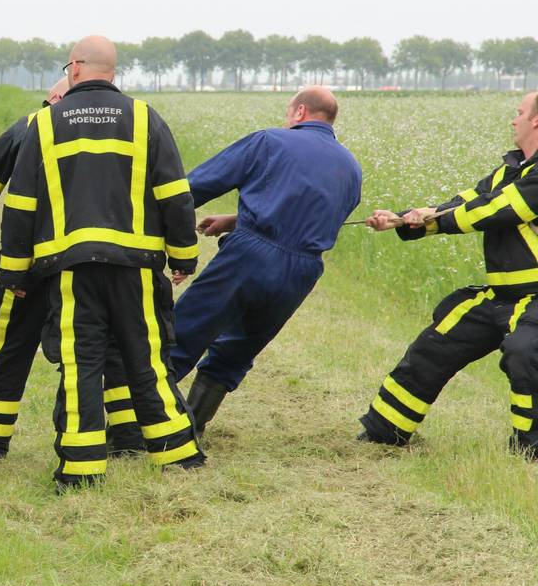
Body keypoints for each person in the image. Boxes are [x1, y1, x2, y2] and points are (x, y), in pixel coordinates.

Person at [0, 35, 204, 488]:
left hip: (71, 270)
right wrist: (184, 254)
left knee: (81, 363)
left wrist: (14, 270)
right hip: (137, 268)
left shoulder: (47, 124)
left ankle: (81, 468)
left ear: (74, 67)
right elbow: (175, 194)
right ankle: (177, 457)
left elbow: (22, 204)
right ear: (114, 72)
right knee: (148, 360)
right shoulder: (145, 118)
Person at [0, 76, 146, 460]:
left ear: (53, 98)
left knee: (9, 348)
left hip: (30, 267)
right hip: (101, 267)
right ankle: (128, 440)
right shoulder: (129, 128)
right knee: (105, 349)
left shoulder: (34, 124)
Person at [169, 87, 362, 436]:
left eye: (288, 113)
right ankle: (192, 428)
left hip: (250, 256)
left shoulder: (270, 141)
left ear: (300, 112)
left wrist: (155, 211)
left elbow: (197, 186)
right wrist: (236, 219)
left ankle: (140, 426)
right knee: (235, 352)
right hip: (303, 271)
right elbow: (306, 216)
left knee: (184, 333)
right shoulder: (351, 168)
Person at [358, 92, 538, 457]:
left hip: (535, 300)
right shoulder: (508, 171)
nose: (513, 119)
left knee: (524, 355)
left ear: (535, 121)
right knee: (435, 344)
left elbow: (497, 209)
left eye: (519, 113)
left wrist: (435, 216)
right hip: (499, 298)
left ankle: (529, 451)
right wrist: (405, 219)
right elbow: (459, 205)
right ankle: (383, 433)